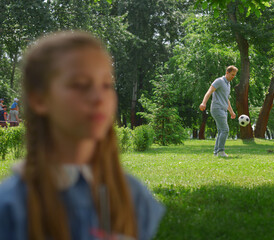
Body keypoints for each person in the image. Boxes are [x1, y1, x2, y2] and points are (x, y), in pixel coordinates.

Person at [0, 31, 165, 240]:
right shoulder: (10, 207)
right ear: (39, 99)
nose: (98, 98)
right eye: (80, 84)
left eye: (106, 85)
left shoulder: (132, 196)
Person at [199, 66, 237, 157]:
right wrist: (203, 103)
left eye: (234, 75)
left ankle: (216, 152)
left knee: (221, 131)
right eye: (232, 75)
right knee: (225, 130)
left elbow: (226, 99)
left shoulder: (228, 84)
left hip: (224, 110)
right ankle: (221, 151)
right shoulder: (219, 81)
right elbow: (209, 91)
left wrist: (231, 112)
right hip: (217, 108)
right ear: (227, 73)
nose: (233, 77)